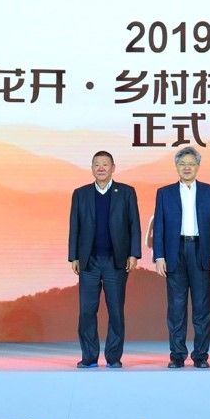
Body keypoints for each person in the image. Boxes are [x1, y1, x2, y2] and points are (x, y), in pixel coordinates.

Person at [152, 146, 210, 368]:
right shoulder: (164, 193)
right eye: (182, 164)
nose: (187, 167)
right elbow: (159, 227)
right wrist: (159, 256)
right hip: (175, 252)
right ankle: (177, 355)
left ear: (198, 166)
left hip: (201, 251)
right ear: (176, 166)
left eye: (191, 164)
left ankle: (201, 356)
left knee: (202, 308)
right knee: (176, 308)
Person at [68, 151, 140, 368]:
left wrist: (133, 254)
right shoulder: (80, 194)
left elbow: (134, 225)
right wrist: (74, 256)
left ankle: (113, 357)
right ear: (92, 168)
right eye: (97, 164)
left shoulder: (126, 192)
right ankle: (89, 356)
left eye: (105, 164)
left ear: (113, 168)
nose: (101, 168)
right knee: (87, 311)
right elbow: (74, 227)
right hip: (88, 261)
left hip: (116, 261)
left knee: (116, 310)